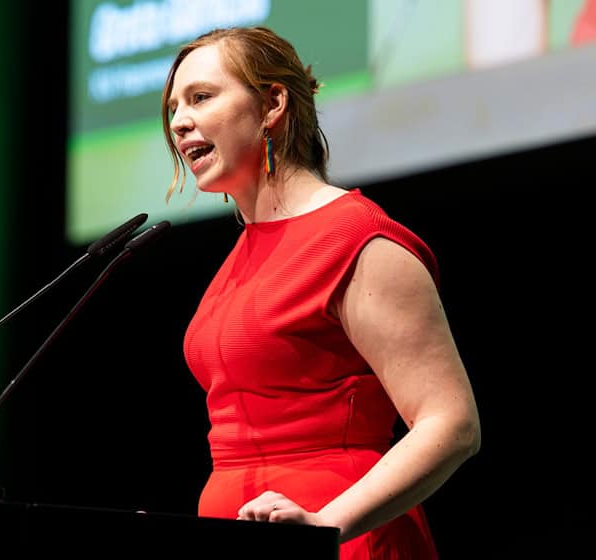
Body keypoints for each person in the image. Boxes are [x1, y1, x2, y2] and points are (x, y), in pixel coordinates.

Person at [161, 26, 481, 559]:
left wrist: (324, 524)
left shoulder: (358, 239)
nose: (179, 121)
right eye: (174, 107)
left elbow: (452, 424)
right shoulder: (240, 257)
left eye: (201, 97)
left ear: (273, 103)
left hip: (340, 536)